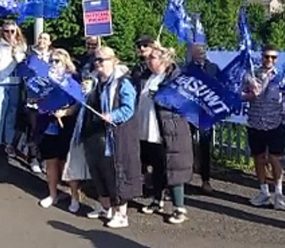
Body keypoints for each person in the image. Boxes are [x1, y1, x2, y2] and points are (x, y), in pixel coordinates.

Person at [73, 46, 139, 228]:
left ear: (113, 60)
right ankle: (105, 207)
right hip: (92, 133)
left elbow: (128, 108)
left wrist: (112, 116)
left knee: (114, 174)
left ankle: (121, 213)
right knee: (98, 172)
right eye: (96, 59)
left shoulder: (122, 82)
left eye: (102, 59)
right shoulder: (93, 81)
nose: (98, 63)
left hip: (113, 135)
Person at [138, 44, 193, 224]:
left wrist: (162, 96)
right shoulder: (147, 76)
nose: (148, 61)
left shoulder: (174, 77)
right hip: (150, 129)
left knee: (174, 168)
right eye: (147, 58)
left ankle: (179, 208)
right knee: (157, 166)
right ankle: (157, 199)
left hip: (171, 130)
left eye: (151, 58)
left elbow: (181, 101)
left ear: (163, 60)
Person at [242, 44, 285, 209]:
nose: (269, 60)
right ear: (261, 57)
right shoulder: (251, 75)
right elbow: (239, 95)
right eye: (267, 56)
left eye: (273, 57)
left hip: (275, 123)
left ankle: (278, 193)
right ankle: (263, 192)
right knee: (258, 158)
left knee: (275, 159)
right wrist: (250, 95)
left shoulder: (282, 76)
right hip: (256, 122)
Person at [36, 48, 81, 213]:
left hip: (67, 125)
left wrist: (66, 112)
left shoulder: (73, 80)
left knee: (67, 163)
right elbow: (39, 98)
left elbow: (79, 102)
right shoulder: (45, 80)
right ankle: (52, 194)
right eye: (51, 61)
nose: (53, 64)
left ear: (65, 62)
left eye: (57, 61)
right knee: (51, 162)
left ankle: (75, 196)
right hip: (49, 125)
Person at [0, 20, 27, 161]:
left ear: (16, 32)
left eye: (12, 31)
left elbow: (20, 60)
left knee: (11, 115)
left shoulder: (21, 46)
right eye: (6, 31)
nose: (9, 34)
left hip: (14, 84)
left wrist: (14, 48)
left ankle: (8, 143)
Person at [185, 42, 220, 194]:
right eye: (197, 51)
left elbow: (221, 87)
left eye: (202, 50)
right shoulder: (185, 69)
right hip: (189, 111)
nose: (200, 53)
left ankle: (206, 180)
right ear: (191, 53)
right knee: (186, 144)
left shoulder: (213, 68)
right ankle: (186, 176)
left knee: (205, 146)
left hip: (206, 112)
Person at [23, 32, 53, 173]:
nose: (42, 40)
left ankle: (43, 158)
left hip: (48, 98)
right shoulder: (31, 56)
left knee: (45, 129)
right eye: (40, 38)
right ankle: (33, 157)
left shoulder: (53, 57)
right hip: (33, 96)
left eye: (45, 39)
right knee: (33, 127)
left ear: (49, 42)